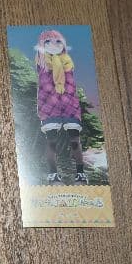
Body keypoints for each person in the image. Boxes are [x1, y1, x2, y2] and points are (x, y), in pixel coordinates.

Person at [35, 30, 87, 185]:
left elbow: (71, 86)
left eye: (58, 41)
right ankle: (53, 175)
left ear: (63, 44)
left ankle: (80, 174)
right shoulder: (42, 61)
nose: (53, 44)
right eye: (48, 41)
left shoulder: (67, 61)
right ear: (42, 44)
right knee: (52, 141)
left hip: (70, 104)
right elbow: (44, 86)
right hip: (49, 105)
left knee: (74, 140)